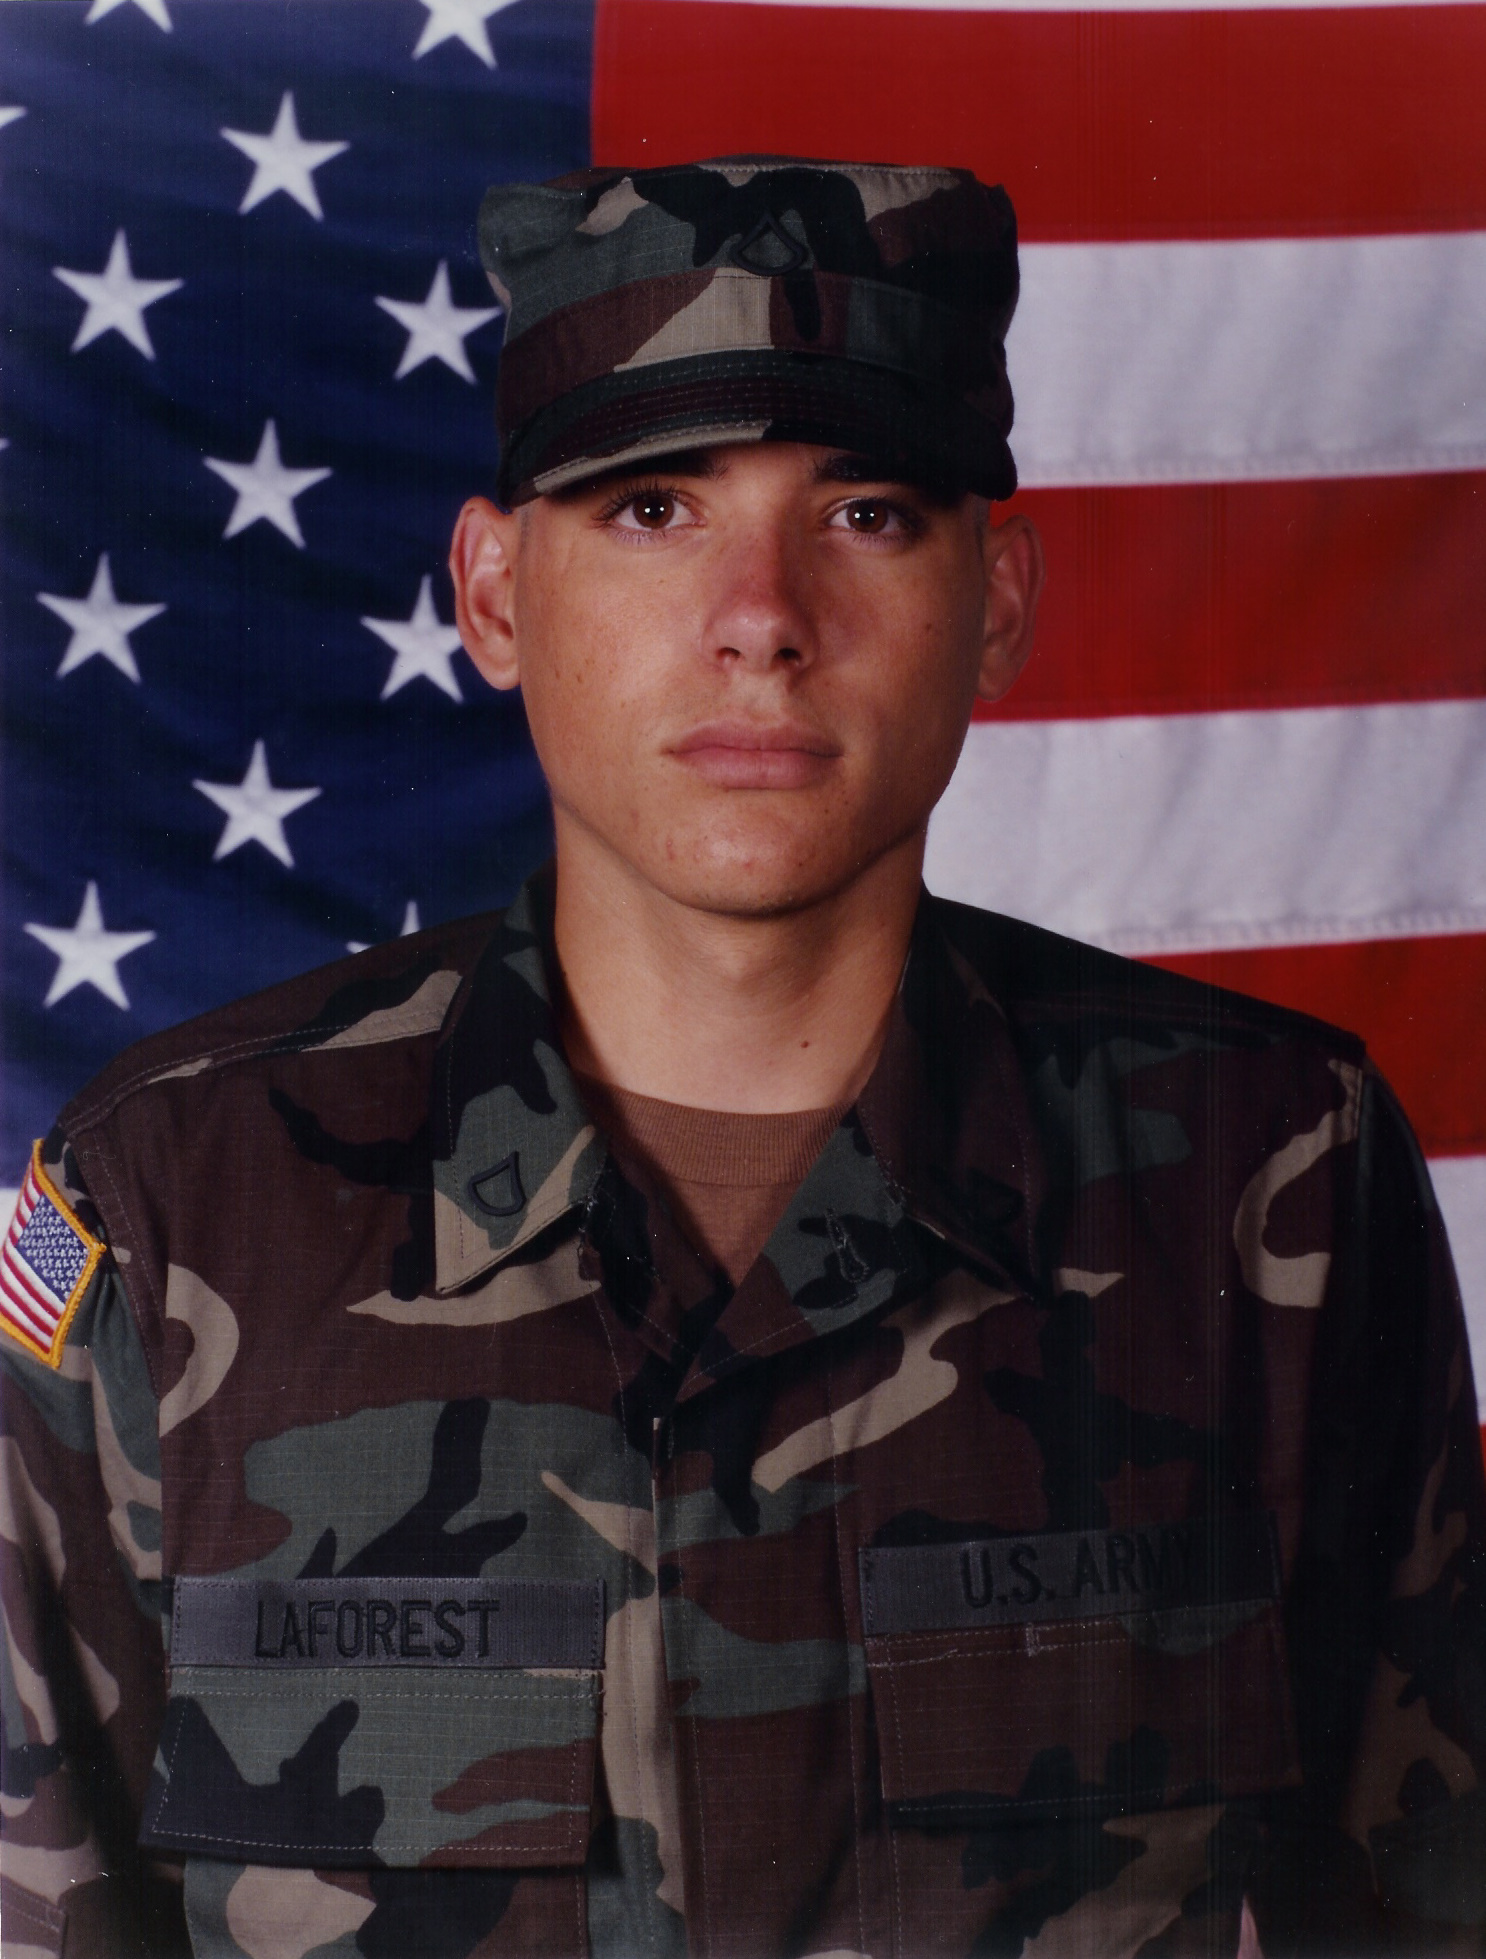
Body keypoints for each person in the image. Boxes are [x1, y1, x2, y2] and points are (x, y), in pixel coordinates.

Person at [1, 156, 1482, 1959]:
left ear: (997, 600)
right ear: (493, 593)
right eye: (651, 508)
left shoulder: (1273, 1173)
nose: (762, 614)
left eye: (865, 513)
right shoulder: (171, 1203)